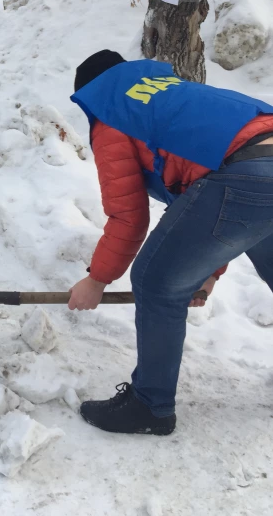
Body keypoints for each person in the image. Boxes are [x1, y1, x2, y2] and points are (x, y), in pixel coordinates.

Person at [69, 50, 273, 435]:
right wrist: (206, 273)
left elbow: (128, 217)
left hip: (247, 172)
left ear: (91, 94)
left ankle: (149, 406)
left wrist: (96, 280)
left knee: (155, 281)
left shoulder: (114, 116)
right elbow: (200, 202)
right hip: (261, 153)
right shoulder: (168, 95)